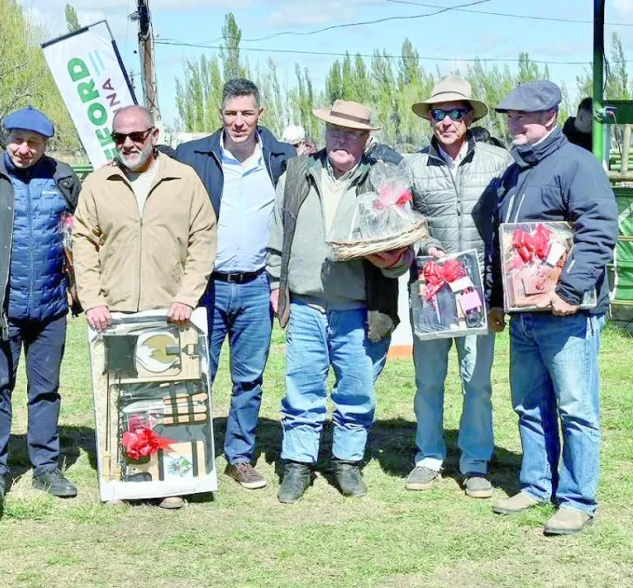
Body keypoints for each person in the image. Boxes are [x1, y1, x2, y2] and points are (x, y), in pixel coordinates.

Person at [488, 81, 618, 536]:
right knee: (527, 404)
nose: (513, 124)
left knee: (576, 407)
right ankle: (537, 484)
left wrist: (571, 290)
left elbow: (599, 231)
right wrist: (498, 301)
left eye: (522, 117)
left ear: (548, 117)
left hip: (566, 314)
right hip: (525, 315)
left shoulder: (577, 164)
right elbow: (501, 244)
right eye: (509, 117)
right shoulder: (514, 172)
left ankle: (578, 498)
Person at [267, 99, 412, 504]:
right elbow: (277, 233)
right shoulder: (297, 172)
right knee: (301, 388)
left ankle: (347, 462)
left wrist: (394, 259)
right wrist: (276, 285)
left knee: (356, 388)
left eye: (351, 133)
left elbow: (402, 247)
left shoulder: (384, 180)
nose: (341, 139)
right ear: (325, 133)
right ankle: (298, 463)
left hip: (358, 306)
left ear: (366, 139)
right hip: (307, 305)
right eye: (335, 131)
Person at [73, 104, 217, 509]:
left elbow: (203, 239)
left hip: (169, 310)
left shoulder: (184, 179)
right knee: (119, 396)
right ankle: (121, 478)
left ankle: (170, 480)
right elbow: (83, 244)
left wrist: (187, 295)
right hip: (115, 313)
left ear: (153, 135)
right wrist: (93, 299)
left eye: (136, 136)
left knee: (167, 394)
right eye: (119, 137)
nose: (128, 144)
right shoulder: (99, 183)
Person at [0, 105, 81, 505]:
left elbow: (84, 233)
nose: (24, 149)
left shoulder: (63, 177)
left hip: (50, 309)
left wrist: (77, 285)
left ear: (46, 144)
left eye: (33, 143)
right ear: (5, 138)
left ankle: (45, 466)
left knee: (46, 390)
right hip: (1, 308)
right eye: (17, 140)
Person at [175, 78, 295, 490]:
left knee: (249, 377)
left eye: (247, 113)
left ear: (261, 115)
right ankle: (189, 454)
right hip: (204, 287)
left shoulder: (283, 159)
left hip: (256, 286)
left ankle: (239, 456)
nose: (239, 122)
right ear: (220, 114)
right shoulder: (191, 157)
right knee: (195, 374)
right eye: (231, 113)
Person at [400, 75, 512, 498]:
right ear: (430, 119)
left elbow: (508, 220)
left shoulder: (497, 163)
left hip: (478, 292)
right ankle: (428, 457)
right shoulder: (411, 166)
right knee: (428, 380)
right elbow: (402, 220)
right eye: (438, 113)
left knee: (477, 381)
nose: (446, 121)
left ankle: (476, 461)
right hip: (430, 290)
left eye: (454, 113)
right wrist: (426, 245)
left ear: (468, 116)